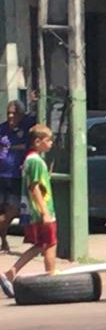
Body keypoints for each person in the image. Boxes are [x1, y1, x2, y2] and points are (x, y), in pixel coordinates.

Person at [0, 125, 58, 297]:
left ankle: (11, 273)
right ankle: (51, 275)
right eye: (48, 140)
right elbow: (34, 188)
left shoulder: (30, 160)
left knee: (41, 244)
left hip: (38, 210)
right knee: (50, 243)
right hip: (42, 211)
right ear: (37, 141)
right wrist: (44, 212)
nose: (51, 143)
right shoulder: (35, 161)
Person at [0, 101, 35, 253]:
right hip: (2, 176)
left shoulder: (26, 127)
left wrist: (34, 101)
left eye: (14, 113)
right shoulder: (2, 129)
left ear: (21, 115)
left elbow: (36, 116)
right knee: (2, 210)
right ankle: (4, 242)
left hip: (16, 176)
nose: (10, 116)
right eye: (8, 113)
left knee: (14, 208)